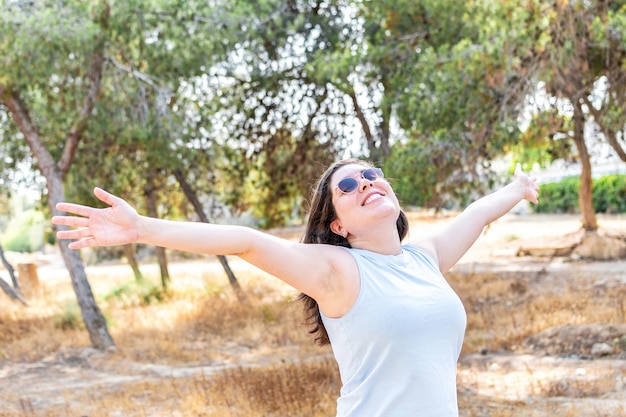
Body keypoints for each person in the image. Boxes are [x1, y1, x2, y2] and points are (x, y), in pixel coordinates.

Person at [51, 158, 539, 417]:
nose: (365, 183)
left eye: (371, 175)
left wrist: (517, 190)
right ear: (339, 225)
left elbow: (476, 212)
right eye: (348, 187)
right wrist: (143, 229)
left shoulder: (424, 260)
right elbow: (244, 242)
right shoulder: (338, 270)